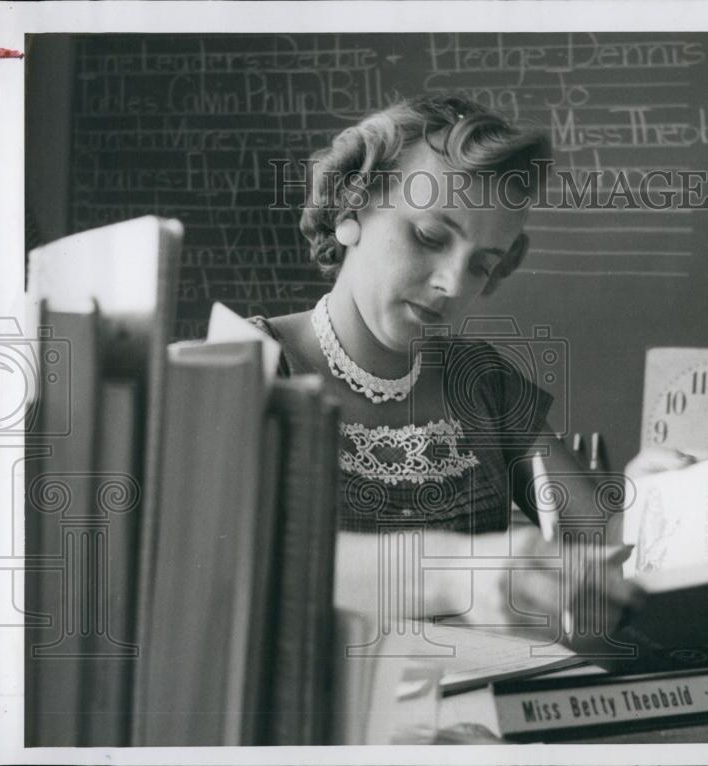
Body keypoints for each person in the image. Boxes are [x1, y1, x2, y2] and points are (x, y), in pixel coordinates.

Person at [251, 94, 647, 643]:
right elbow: (232, 564)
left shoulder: (483, 382)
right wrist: (452, 570)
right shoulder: (252, 362)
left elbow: (602, 545)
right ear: (351, 209)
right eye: (430, 238)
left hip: (476, 713)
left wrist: (661, 504)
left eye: (482, 266)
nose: (453, 285)